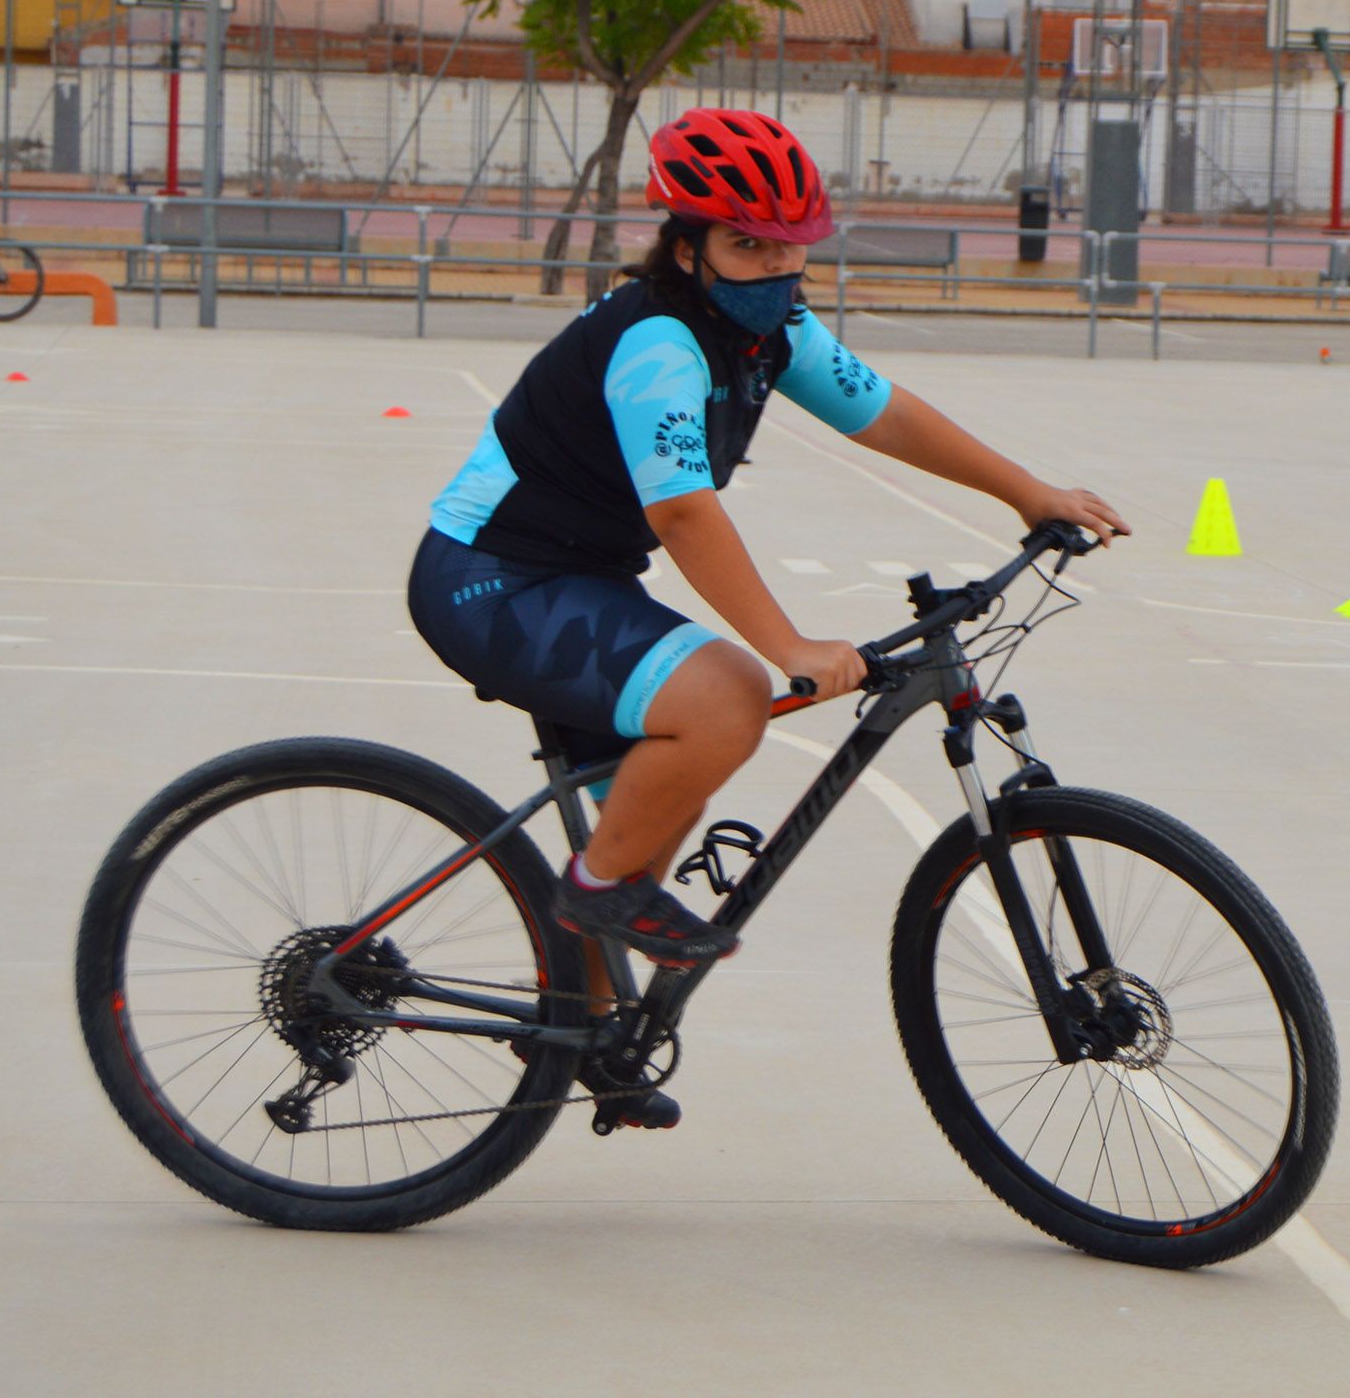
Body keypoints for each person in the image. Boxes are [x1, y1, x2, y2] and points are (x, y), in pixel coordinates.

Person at [406, 109, 1129, 1128]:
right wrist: (784, 647)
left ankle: (585, 1027)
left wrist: (1026, 492)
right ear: (685, 242)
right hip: (490, 578)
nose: (774, 266)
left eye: (790, 245)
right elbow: (682, 510)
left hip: (582, 576)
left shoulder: (768, 328)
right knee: (724, 699)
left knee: (654, 792)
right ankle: (600, 898)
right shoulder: (658, 339)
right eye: (746, 244)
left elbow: (879, 407)